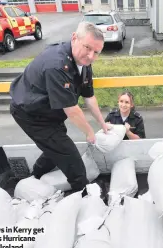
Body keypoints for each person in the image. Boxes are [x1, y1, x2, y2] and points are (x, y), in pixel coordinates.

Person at [9, 22, 112, 194]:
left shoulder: (84, 64)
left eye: (96, 52)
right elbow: (71, 110)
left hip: (50, 113)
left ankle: (35, 176)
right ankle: (85, 194)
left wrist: (102, 124)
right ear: (74, 38)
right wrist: (89, 132)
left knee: (56, 149)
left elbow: (89, 96)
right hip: (31, 114)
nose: (91, 56)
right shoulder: (56, 65)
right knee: (70, 157)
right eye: (87, 48)